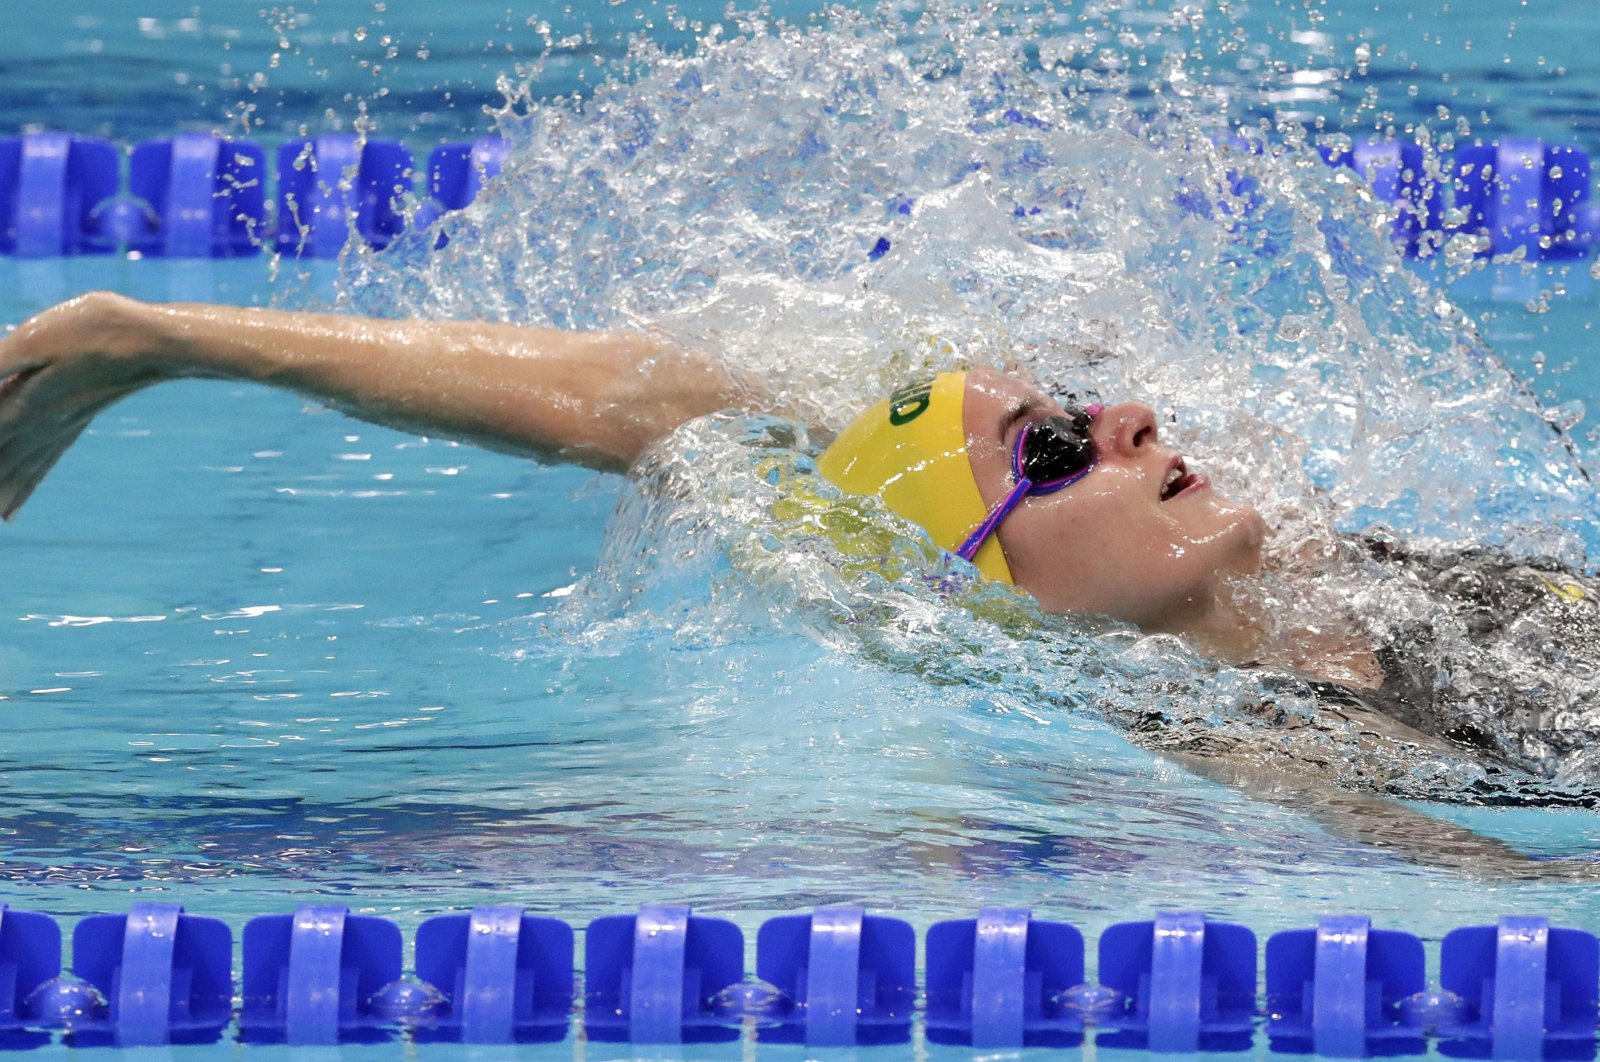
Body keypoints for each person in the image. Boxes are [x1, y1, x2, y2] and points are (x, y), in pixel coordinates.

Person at [4, 291, 1598, 872]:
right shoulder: (1250, 737)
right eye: (1050, 453)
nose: (1127, 421)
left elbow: (652, 400)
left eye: (1082, 402)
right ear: (989, 589)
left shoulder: (1352, 574)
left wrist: (164, 337)